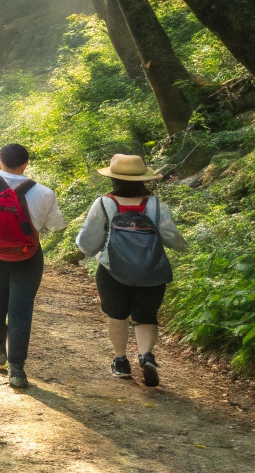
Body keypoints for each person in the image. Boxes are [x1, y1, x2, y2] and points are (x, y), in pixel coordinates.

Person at [75, 153, 185, 387]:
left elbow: (88, 240)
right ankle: (145, 356)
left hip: (113, 270)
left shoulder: (104, 203)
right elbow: (170, 237)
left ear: (113, 179)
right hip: (152, 271)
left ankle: (121, 361)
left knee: (117, 315)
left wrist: (91, 252)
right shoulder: (156, 204)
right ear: (142, 179)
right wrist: (184, 248)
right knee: (146, 317)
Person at [0, 143, 65, 389]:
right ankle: (17, 370)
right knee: (20, 308)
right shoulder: (44, 192)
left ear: (1, 161)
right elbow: (56, 227)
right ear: (26, 163)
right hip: (28, 255)